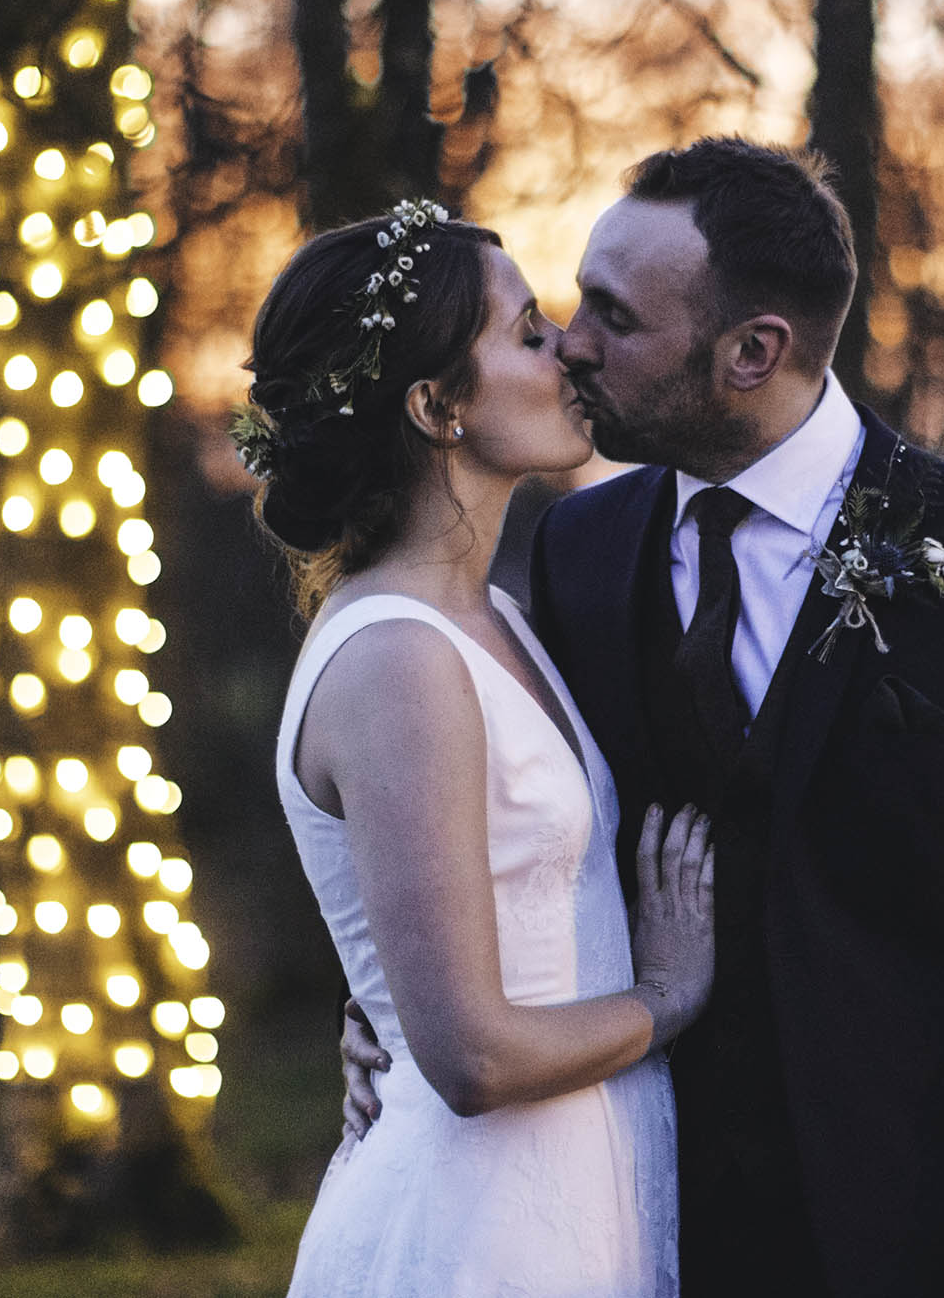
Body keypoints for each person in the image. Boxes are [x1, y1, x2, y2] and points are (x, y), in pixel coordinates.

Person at [339, 140, 944, 1297]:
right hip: (636, 1210)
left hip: (910, 1234)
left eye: (614, 316)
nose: (571, 342)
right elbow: (501, 822)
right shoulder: (581, 549)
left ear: (752, 351)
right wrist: (380, 1002)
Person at [242, 198, 713, 1298]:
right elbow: (470, 1057)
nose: (568, 352)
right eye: (528, 330)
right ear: (436, 405)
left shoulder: (499, 615)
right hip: (477, 1233)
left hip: (584, 1194)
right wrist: (672, 995)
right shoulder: (397, 659)